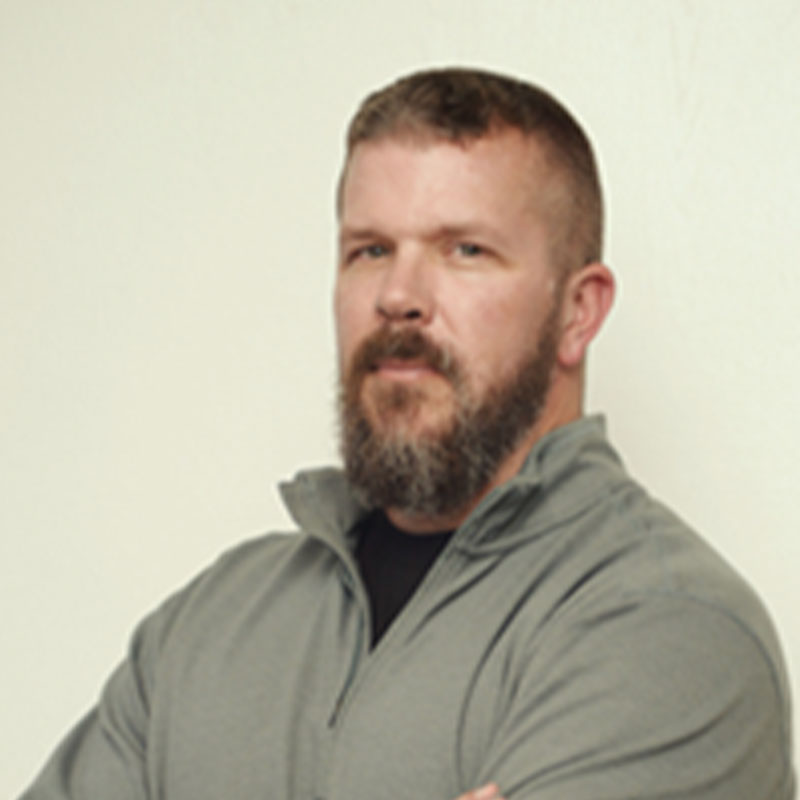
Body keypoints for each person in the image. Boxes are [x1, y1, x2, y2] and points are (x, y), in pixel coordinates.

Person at [20, 67, 794, 800]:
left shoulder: (672, 632)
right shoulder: (210, 622)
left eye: (465, 250)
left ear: (578, 310)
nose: (397, 295)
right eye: (370, 250)